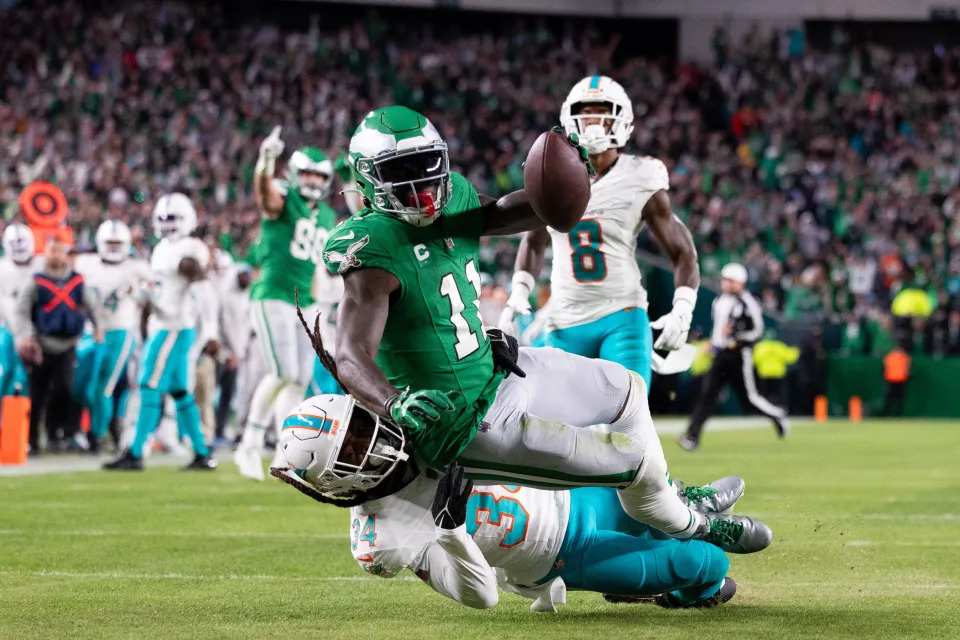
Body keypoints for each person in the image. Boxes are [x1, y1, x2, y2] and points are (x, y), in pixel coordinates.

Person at [320, 106, 771, 550]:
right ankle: (696, 526)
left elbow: (502, 212)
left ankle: (670, 494)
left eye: (427, 164)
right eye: (403, 170)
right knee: (630, 462)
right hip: (467, 424)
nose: (421, 182)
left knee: (628, 390)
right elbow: (350, 356)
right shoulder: (372, 250)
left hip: (498, 373)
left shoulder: (454, 197)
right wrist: (394, 403)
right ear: (367, 180)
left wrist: (563, 183)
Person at [272, 396, 754, 611]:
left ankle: (687, 501)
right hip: (560, 554)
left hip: (571, 491)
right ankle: (683, 593)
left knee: (632, 468)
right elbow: (482, 597)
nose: (372, 440)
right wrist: (450, 530)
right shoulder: (380, 538)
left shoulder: (408, 419)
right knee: (704, 563)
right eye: (354, 449)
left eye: (359, 425)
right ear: (332, 481)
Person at [499, 75, 700, 389]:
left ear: (621, 119)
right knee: (558, 425)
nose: (593, 121)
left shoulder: (641, 175)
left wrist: (683, 308)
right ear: (570, 119)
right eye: (586, 112)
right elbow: (534, 242)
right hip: (564, 320)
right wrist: (519, 292)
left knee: (626, 421)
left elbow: (682, 250)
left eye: (602, 112)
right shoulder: (550, 175)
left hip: (621, 315)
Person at [234, 126, 340, 481]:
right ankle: (248, 444)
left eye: (318, 175)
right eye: (306, 173)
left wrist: (315, 302)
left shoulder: (325, 214)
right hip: (273, 295)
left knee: (298, 378)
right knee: (284, 372)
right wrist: (265, 161)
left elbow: (313, 264)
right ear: (294, 174)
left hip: (303, 301)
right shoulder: (283, 193)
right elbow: (266, 199)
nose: (311, 180)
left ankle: (287, 452)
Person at [104, 193, 218, 471]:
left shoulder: (190, 248)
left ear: (188, 219)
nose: (167, 224)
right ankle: (202, 453)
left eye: (173, 218)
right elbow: (161, 288)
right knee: (180, 392)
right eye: (164, 218)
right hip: (169, 324)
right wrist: (139, 293)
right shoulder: (161, 248)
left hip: (173, 327)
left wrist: (212, 329)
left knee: (149, 384)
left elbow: (202, 286)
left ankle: (136, 451)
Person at [679, 263, 788, 452]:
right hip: (721, 355)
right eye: (725, 280)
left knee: (750, 399)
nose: (726, 284)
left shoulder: (748, 302)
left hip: (739, 355)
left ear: (741, 283)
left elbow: (757, 331)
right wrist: (714, 344)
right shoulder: (719, 301)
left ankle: (777, 414)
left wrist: (736, 336)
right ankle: (692, 436)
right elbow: (719, 331)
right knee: (707, 395)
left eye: (731, 280)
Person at [14, 237, 105, 454]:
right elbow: (22, 310)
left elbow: (91, 305)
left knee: (64, 389)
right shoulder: (37, 281)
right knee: (37, 393)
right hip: (42, 345)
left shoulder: (76, 281)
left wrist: (99, 326)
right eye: (51, 251)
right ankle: (32, 440)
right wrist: (26, 336)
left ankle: (57, 432)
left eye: (59, 251)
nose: (55, 255)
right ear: (46, 253)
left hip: (68, 344)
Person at [74, 220, 151, 453]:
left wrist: (136, 292)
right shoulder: (85, 263)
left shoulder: (136, 267)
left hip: (120, 330)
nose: (114, 248)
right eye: (110, 243)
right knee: (77, 387)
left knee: (102, 388)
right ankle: (111, 424)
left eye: (118, 244)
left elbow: (155, 290)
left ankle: (96, 436)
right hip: (90, 330)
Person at [881, 346, 910, 416]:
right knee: (890, 398)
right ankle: (887, 413)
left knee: (899, 399)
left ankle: (897, 413)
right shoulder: (891, 357)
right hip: (892, 380)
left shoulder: (903, 357)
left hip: (899, 380)